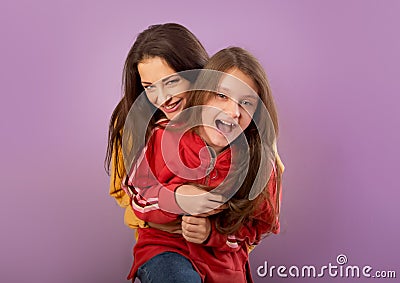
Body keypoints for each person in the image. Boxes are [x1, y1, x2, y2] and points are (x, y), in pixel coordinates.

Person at [124, 47, 283, 283]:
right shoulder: (164, 135)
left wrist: (214, 234)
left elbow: (258, 228)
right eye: (222, 95)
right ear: (203, 93)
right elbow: (137, 193)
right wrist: (176, 197)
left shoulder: (260, 162)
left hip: (225, 266)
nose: (233, 111)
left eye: (247, 102)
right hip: (167, 251)